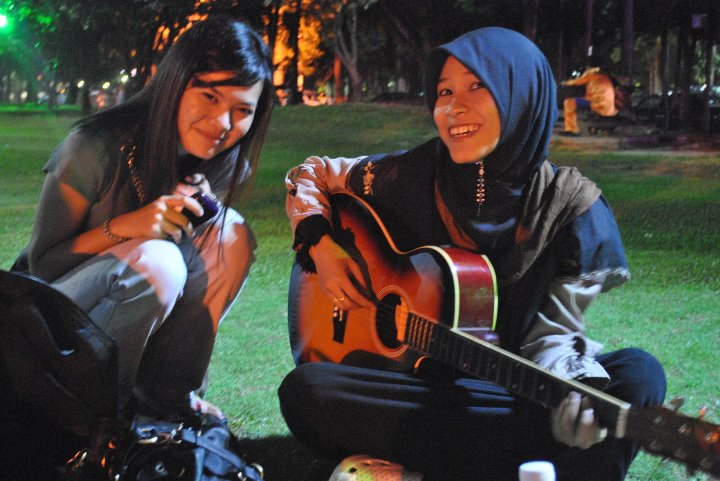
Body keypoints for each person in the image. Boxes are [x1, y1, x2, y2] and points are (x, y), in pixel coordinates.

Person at [278, 27, 666, 481]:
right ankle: (547, 465)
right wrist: (322, 247)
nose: (453, 107)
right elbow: (313, 173)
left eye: (477, 86)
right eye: (444, 91)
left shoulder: (573, 208)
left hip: (512, 390)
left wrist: (575, 393)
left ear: (522, 96)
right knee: (310, 390)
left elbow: (555, 338)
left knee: (639, 375)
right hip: (420, 384)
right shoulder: (410, 174)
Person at [11, 16, 274, 419]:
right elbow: (42, 266)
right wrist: (125, 228)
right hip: (45, 320)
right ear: (174, 84)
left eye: (242, 110)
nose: (223, 123)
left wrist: (203, 212)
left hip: (121, 314)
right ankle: (92, 413)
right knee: (159, 263)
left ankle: (168, 397)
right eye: (209, 96)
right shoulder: (93, 148)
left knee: (230, 234)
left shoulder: (223, 164)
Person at [561, 65, 619, 135]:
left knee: (569, 102)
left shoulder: (592, 75)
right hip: (608, 107)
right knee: (580, 100)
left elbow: (576, 82)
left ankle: (571, 130)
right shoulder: (605, 77)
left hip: (597, 104)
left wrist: (564, 83)